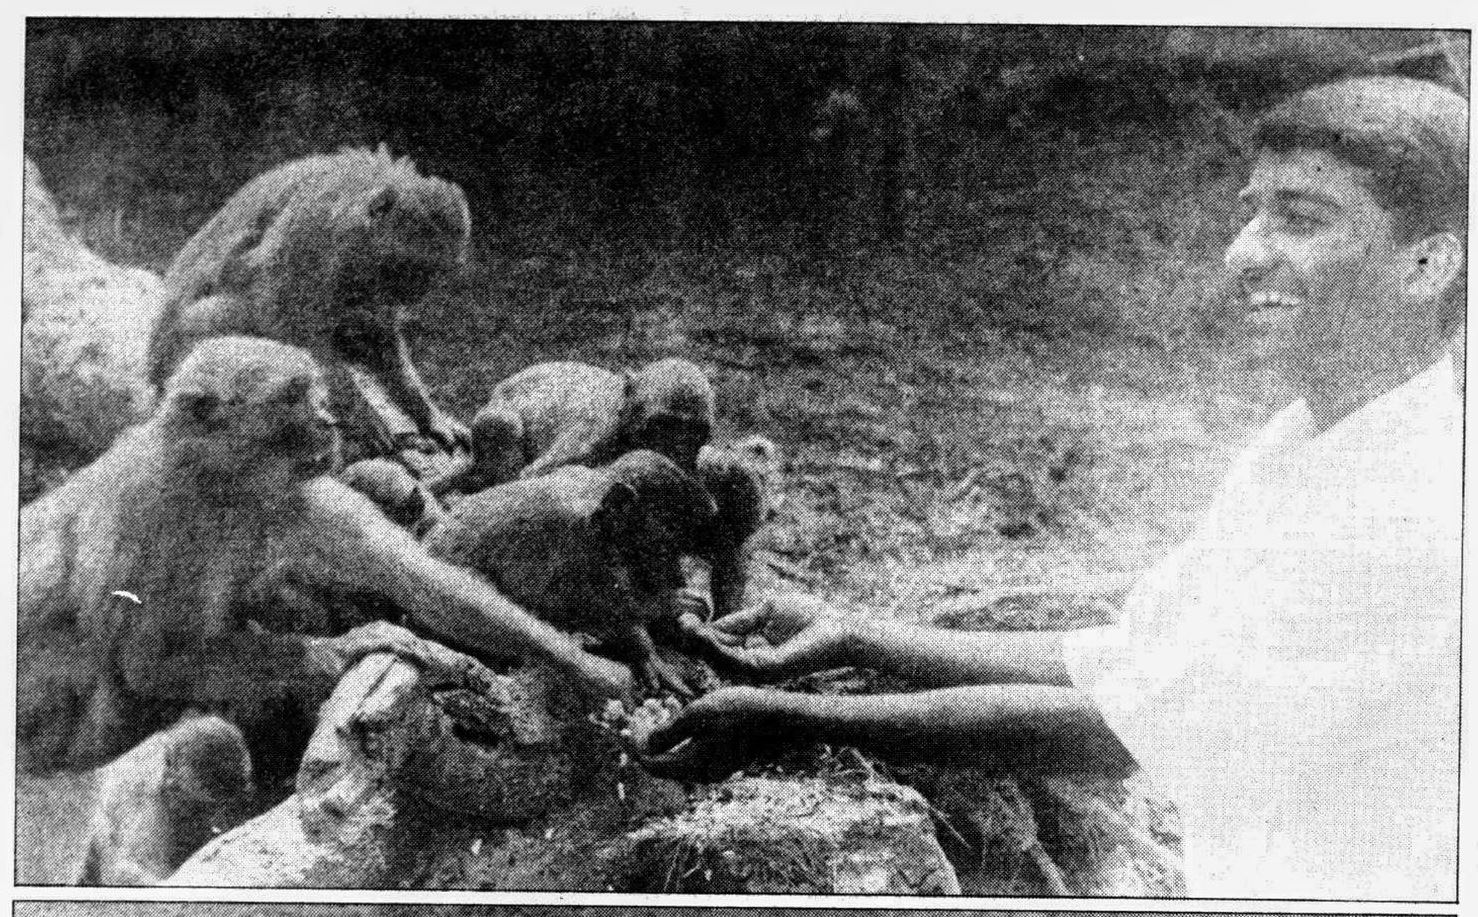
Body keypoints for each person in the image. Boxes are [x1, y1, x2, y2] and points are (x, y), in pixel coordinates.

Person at [644, 75, 1465, 899]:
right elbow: (1136, 662)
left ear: (1429, 264)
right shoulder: (1304, 439)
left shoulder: (1418, 499)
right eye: (1252, 213)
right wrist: (862, 637)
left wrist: (792, 719)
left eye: (1302, 219)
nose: (1244, 253)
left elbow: (1124, 730)